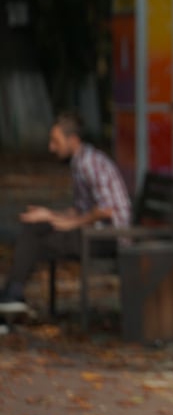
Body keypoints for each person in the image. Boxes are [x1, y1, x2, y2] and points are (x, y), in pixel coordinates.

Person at [0, 111, 132, 314]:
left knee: (35, 237)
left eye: (56, 141)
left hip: (109, 236)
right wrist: (50, 215)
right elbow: (80, 209)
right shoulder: (79, 162)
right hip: (95, 232)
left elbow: (106, 210)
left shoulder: (90, 163)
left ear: (72, 140)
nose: (51, 148)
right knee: (36, 228)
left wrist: (70, 223)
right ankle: (13, 293)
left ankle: (13, 293)